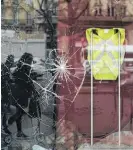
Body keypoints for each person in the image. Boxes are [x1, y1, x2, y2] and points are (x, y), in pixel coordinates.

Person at [6, 52, 35, 137]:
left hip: (19, 93)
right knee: (21, 111)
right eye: (30, 59)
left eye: (32, 60)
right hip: (22, 94)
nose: (31, 61)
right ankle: (10, 122)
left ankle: (19, 132)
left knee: (20, 111)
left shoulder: (20, 67)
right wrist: (32, 88)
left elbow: (19, 78)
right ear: (26, 59)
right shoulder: (25, 68)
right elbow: (25, 81)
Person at [1, 55, 14, 134]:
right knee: (4, 112)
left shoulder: (5, 67)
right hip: (3, 93)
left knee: (5, 111)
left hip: (4, 92)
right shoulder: (5, 68)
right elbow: (4, 80)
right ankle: (4, 128)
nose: (12, 62)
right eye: (11, 60)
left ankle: (4, 127)